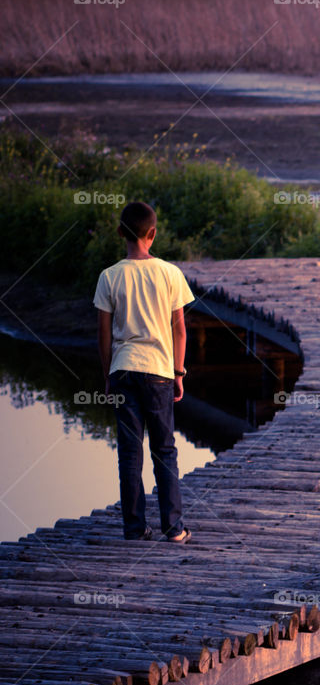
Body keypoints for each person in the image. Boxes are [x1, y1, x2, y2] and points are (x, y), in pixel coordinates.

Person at [94, 201, 194, 542]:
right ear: (153, 234)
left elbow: (104, 335)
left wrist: (108, 375)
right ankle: (174, 528)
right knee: (164, 449)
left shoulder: (109, 276)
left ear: (120, 232)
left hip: (124, 370)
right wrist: (179, 373)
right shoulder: (169, 273)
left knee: (129, 452)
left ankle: (135, 529)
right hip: (159, 372)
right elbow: (180, 331)